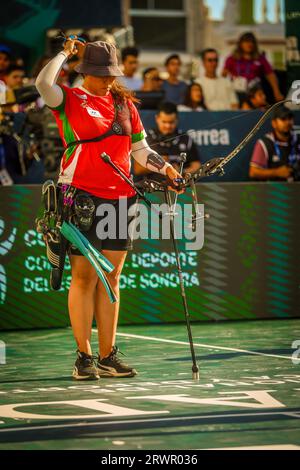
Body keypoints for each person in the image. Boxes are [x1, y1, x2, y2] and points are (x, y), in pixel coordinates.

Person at [35, 38, 182, 380]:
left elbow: (141, 150)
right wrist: (65, 52)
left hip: (121, 198)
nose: (105, 79)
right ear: (84, 71)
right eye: (98, 73)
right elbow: (43, 83)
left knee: (112, 278)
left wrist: (167, 169)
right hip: (81, 197)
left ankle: (107, 355)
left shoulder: (124, 104)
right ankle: (84, 356)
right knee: (85, 277)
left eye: (109, 73)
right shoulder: (68, 99)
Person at [133, 101, 201, 178]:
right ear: (157, 119)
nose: (168, 126)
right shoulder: (146, 138)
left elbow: (197, 166)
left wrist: (180, 171)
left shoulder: (185, 139)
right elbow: (137, 170)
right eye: (164, 122)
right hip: (152, 184)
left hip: (178, 184)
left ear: (177, 120)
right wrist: (159, 164)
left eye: (171, 122)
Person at [223, 32, 284, 104]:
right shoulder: (232, 58)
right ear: (240, 44)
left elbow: (270, 75)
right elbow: (224, 75)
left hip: (254, 92)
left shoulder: (260, 58)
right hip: (236, 91)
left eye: (252, 42)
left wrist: (276, 92)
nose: (249, 44)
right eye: (246, 41)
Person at [249, 105, 300, 181]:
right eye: (283, 119)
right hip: (274, 189)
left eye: (290, 118)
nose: (288, 122)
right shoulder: (265, 143)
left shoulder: (297, 139)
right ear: (274, 123)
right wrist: (277, 172)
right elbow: (253, 172)